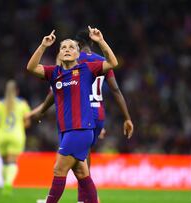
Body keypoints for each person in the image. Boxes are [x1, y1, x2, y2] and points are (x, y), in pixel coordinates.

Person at [29, 29, 134, 202]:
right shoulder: (55, 73)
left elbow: (113, 62)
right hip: (65, 130)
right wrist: (43, 46)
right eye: (63, 47)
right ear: (59, 54)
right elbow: (31, 68)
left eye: (71, 47)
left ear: (78, 53)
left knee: (59, 169)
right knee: (82, 173)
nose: (67, 49)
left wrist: (101, 40)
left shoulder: (86, 69)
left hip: (80, 129)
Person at [0, 80, 31, 195]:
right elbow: (27, 122)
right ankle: (8, 183)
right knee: (12, 162)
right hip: (16, 135)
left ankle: (5, 184)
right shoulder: (22, 104)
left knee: (4, 162)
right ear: (17, 91)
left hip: (1, 135)